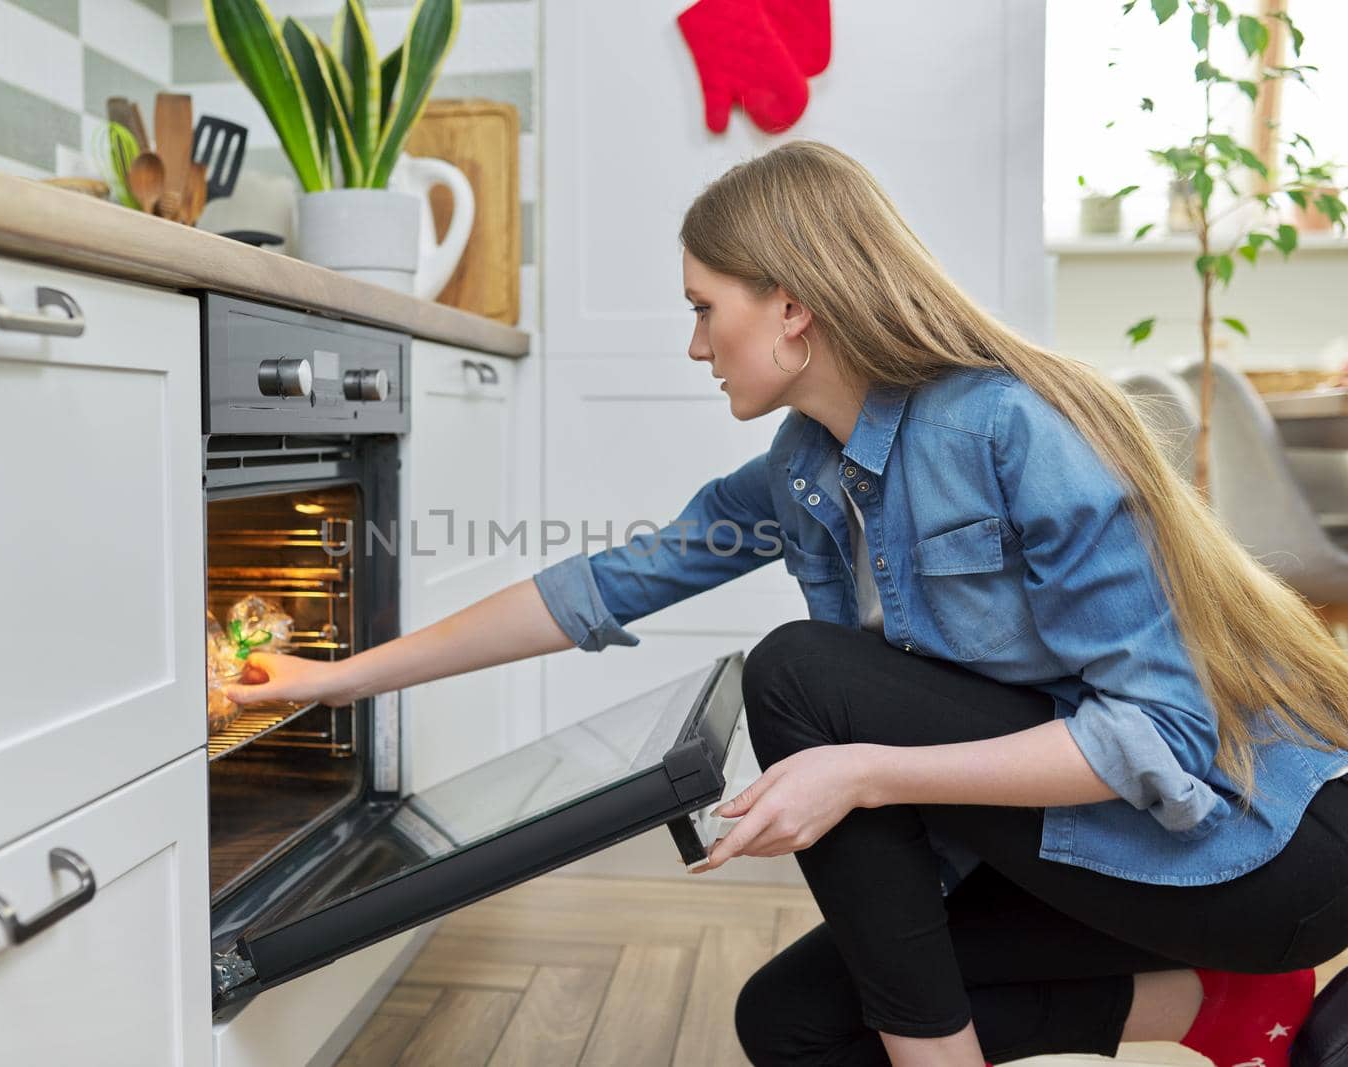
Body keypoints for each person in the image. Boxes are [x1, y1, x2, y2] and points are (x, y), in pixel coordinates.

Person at [223, 141, 1348, 1066]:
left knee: (802, 671)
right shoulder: (805, 467)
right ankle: (1228, 1013)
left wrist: (868, 769)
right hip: (1099, 843)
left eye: (706, 308)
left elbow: (1160, 736)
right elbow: (604, 584)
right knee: (792, 1025)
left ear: (793, 309)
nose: (696, 343)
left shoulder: (1005, 430)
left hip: (1255, 851)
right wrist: (335, 676)